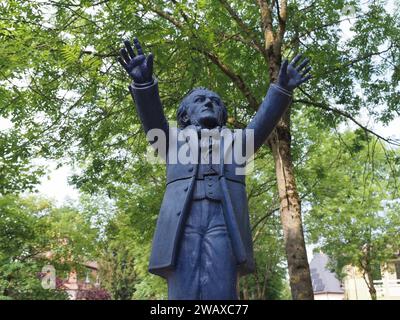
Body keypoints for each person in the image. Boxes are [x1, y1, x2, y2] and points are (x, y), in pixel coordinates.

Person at [118, 38, 311, 299]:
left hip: (222, 221)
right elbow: (152, 120)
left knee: (220, 288)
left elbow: (263, 123)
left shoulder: (237, 142)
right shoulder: (170, 140)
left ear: (221, 114)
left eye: (214, 101)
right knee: (183, 289)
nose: (208, 102)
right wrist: (143, 84)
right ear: (185, 115)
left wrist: (282, 89)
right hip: (182, 223)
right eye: (200, 100)